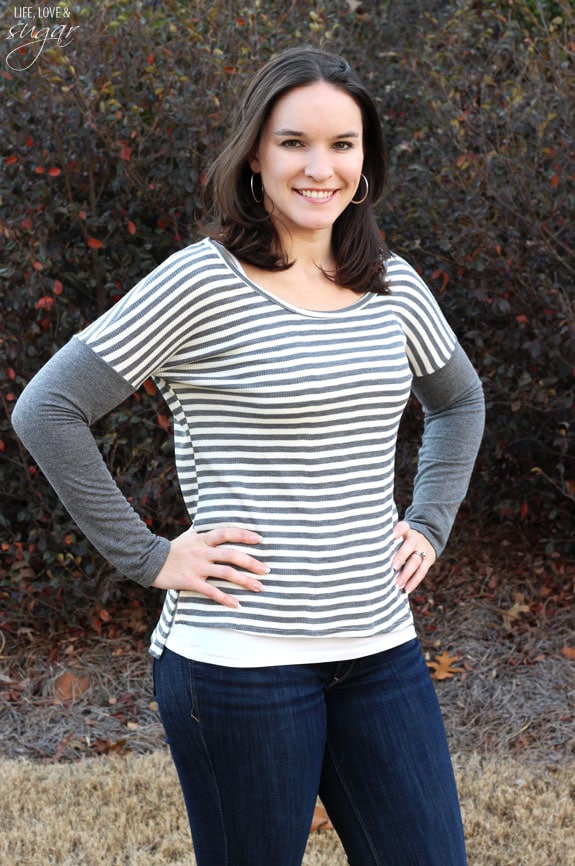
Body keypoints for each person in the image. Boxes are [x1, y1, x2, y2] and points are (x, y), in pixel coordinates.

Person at [12, 45, 484, 866]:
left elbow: (459, 401)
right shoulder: (201, 281)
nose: (319, 167)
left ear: (365, 161)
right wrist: (149, 556)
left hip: (379, 650)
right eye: (294, 141)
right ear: (255, 154)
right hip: (238, 665)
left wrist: (430, 521)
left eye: (342, 144)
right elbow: (48, 409)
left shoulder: (393, 286)